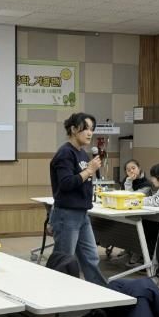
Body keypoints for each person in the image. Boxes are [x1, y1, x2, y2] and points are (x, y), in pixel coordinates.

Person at [49, 112, 107, 286]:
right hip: (67, 214)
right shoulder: (65, 153)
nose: (90, 133)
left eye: (92, 129)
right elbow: (66, 183)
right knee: (64, 260)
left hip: (82, 214)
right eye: (86, 129)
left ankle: (100, 293)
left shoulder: (82, 154)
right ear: (74, 129)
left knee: (91, 257)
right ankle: (57, 294)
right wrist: (89, 170)